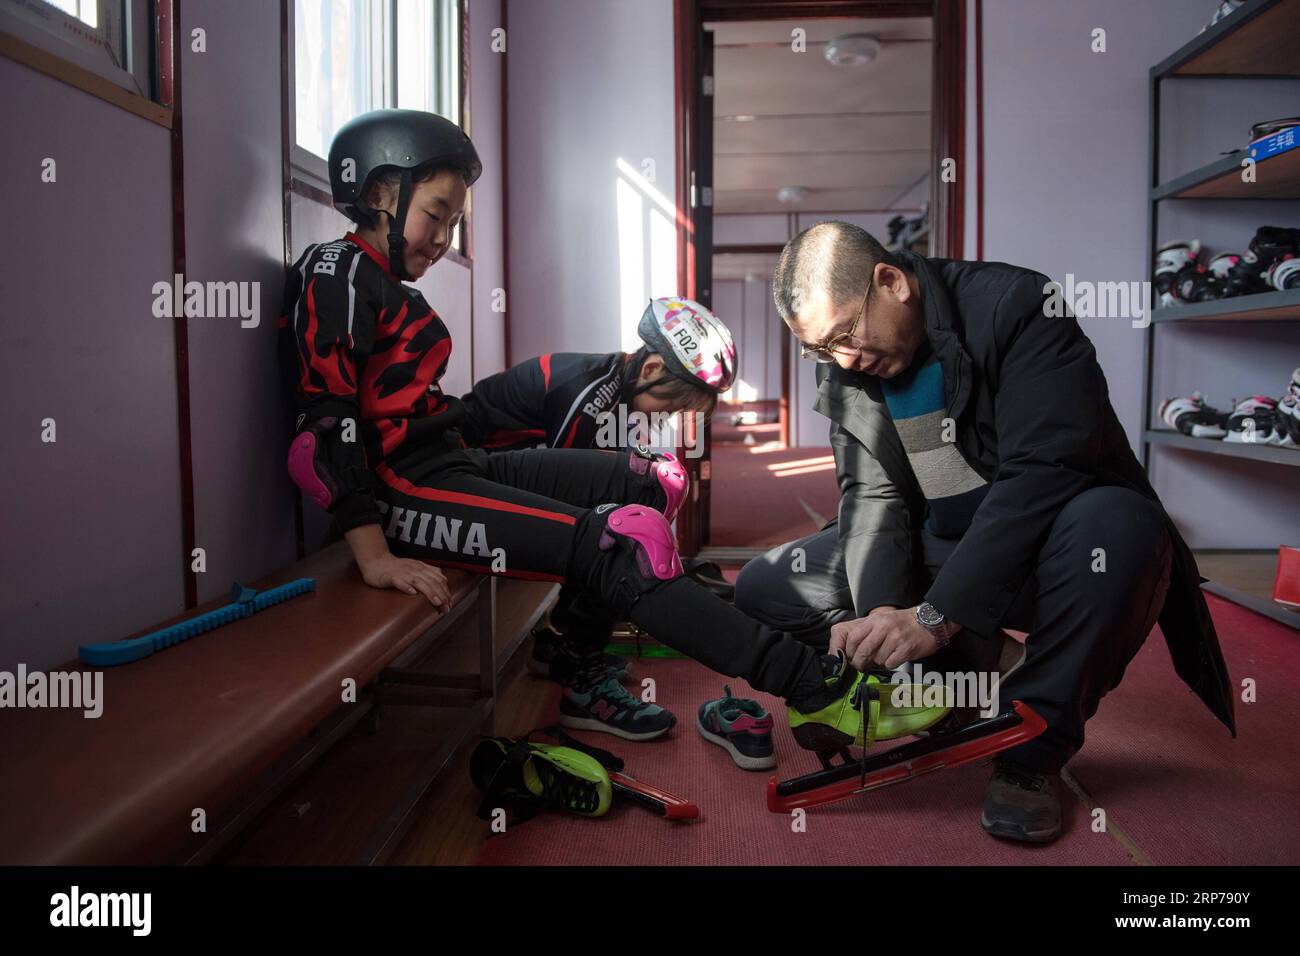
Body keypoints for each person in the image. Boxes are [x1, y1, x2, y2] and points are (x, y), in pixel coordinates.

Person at [277, 109, 865, 746]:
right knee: (619, 544)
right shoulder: (336, 271)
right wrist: (373, 556)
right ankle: (812, 685)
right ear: (377, 195)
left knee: (644, 482)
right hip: (403, 491)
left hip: (449, 461)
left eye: (453, 223)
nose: (444, 237)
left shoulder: (392, 287)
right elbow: (321, 435)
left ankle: (581, 656)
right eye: (436, 214)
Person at [733, 220, 1237, 843]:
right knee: (767, 584)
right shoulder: (849, 366)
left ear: (891, 282)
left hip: (1055, 545)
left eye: (843, 335)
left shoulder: (1018, 306)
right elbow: (873, 494)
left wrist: (935, 618)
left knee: (1126, 529)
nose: (841, 359)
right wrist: (884, 620)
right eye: (819, 349)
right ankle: (982, 673)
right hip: (943, 544)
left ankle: (1031, 755)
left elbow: (1040, 474)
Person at [458, 299, 737, 690]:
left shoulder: (621, 385)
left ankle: (565, 646)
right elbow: (567, 499)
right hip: (466, 481)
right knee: (618, 533)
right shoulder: (587, 395)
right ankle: (571, 657)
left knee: (631, 509)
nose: (664, 421)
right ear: (651, 369)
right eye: (668, 408)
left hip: (505, 472)